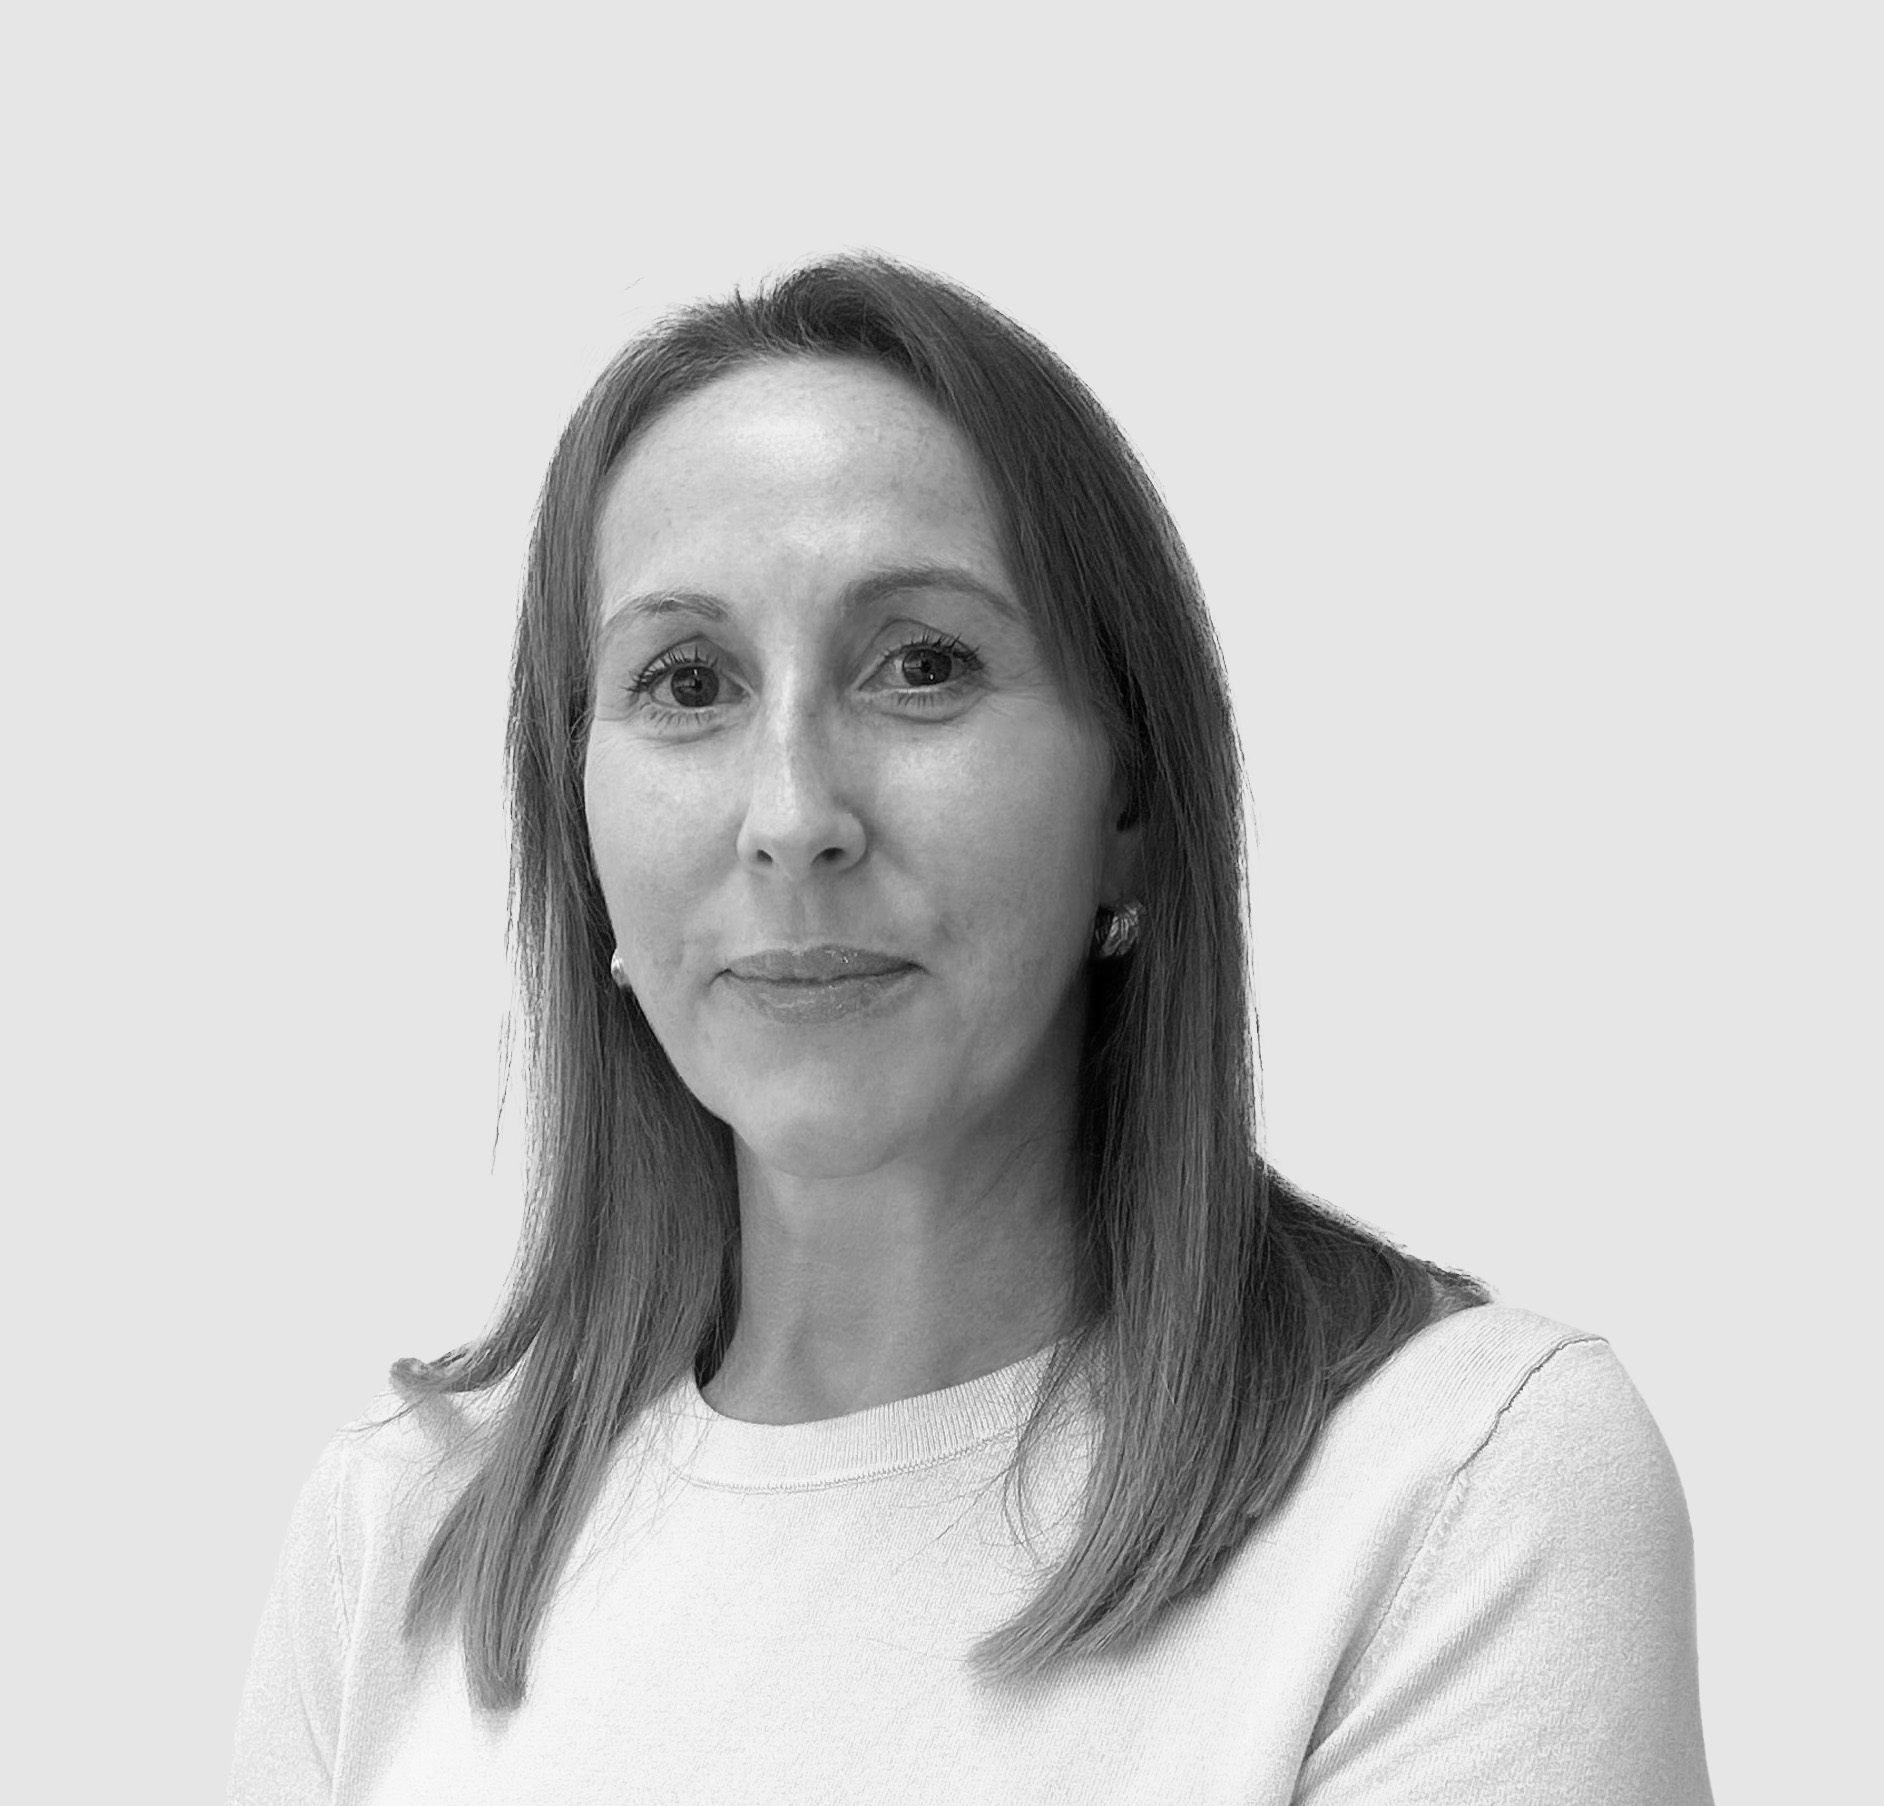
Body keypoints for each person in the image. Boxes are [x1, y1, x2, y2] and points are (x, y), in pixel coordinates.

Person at [230, 255, 1712, 1803]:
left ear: (1129, 803)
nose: (792, 814)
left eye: (923, 664)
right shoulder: (392, 1535)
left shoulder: (1457, 1485)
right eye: (687, 681)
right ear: (579, 821)